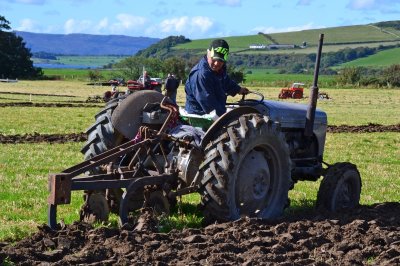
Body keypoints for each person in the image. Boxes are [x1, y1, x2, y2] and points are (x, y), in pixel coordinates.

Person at [184, 39, 249, 117]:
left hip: (215, 109)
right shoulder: (201, 74)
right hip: (200, 115)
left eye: (220, 61)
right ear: (208, 52)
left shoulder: (219, 70)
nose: (216, 64)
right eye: (214, 59)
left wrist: (238, 89)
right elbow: (209, 104)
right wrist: (226, 115)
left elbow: (226, 82)